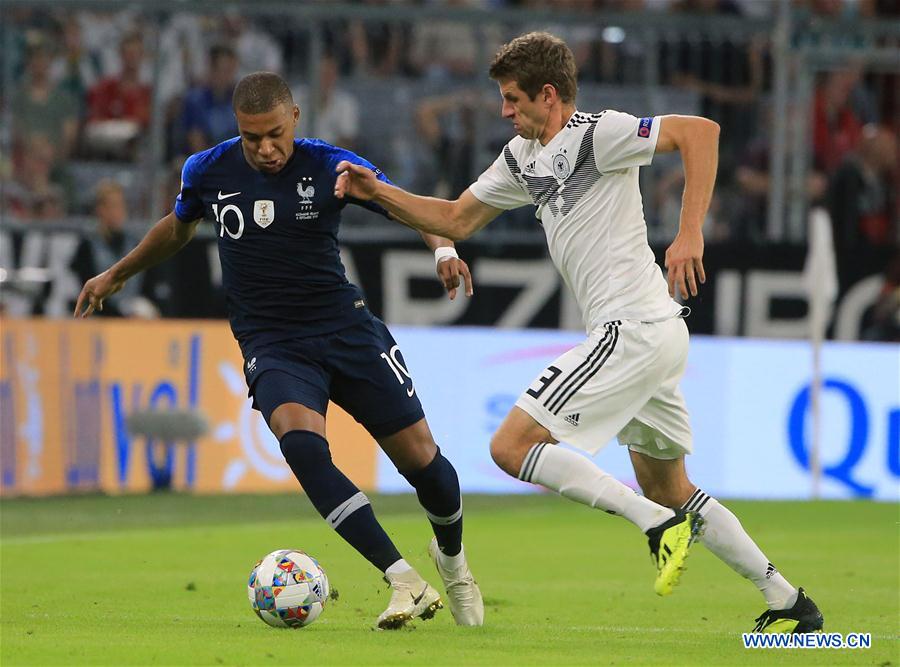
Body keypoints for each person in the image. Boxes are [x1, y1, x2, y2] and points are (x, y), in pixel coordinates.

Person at [335, 31, 824, 633]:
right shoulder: (521, 159)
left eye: (513, 99)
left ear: (548, 94)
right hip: (654, 335)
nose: (504, 111)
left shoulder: (600, 133)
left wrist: (689, 231)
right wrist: (375, 193)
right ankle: (788, 602)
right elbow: (455, 217)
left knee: (509, 448)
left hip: (634, 329)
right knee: (670, 486)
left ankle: (654, 525)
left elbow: (701, 132)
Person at [74, 71, 483, 630]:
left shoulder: (330, 164)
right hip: (273, 343)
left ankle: (454, 565)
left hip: (346, 330)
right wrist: (117, 274)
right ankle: (402, 579)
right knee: (304, 450)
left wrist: (442, 252)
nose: (265, 148)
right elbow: (177, 226)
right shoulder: (208, 169)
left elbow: (406, 207)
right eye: (250, 137)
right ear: (236, 130)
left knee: (423, 464)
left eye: (273, 133)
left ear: (294, 118)